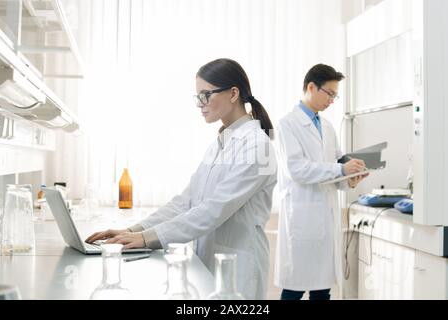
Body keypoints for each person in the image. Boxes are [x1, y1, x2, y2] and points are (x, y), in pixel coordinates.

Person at [86, 58, 277, 300]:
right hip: (210, 262)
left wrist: (147, 238)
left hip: (238, 267)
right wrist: (134, 230)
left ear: (233, 93)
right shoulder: (221, 142)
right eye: (198, 97)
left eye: (205, 95)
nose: (200, 104)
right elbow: (185, 202)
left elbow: (214, 210)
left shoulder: (259, 146)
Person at [274, 64, 368, 300]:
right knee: (294, 290)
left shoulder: (326, 126)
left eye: (335, 96)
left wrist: (350, 179)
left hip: (325, 220)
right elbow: (297, 169)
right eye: (330, 94)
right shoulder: (287, 124)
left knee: (322, 289)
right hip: (302, 219)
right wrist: (340, 168)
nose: (332, 100)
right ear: (311, 87)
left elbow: (335, 170)